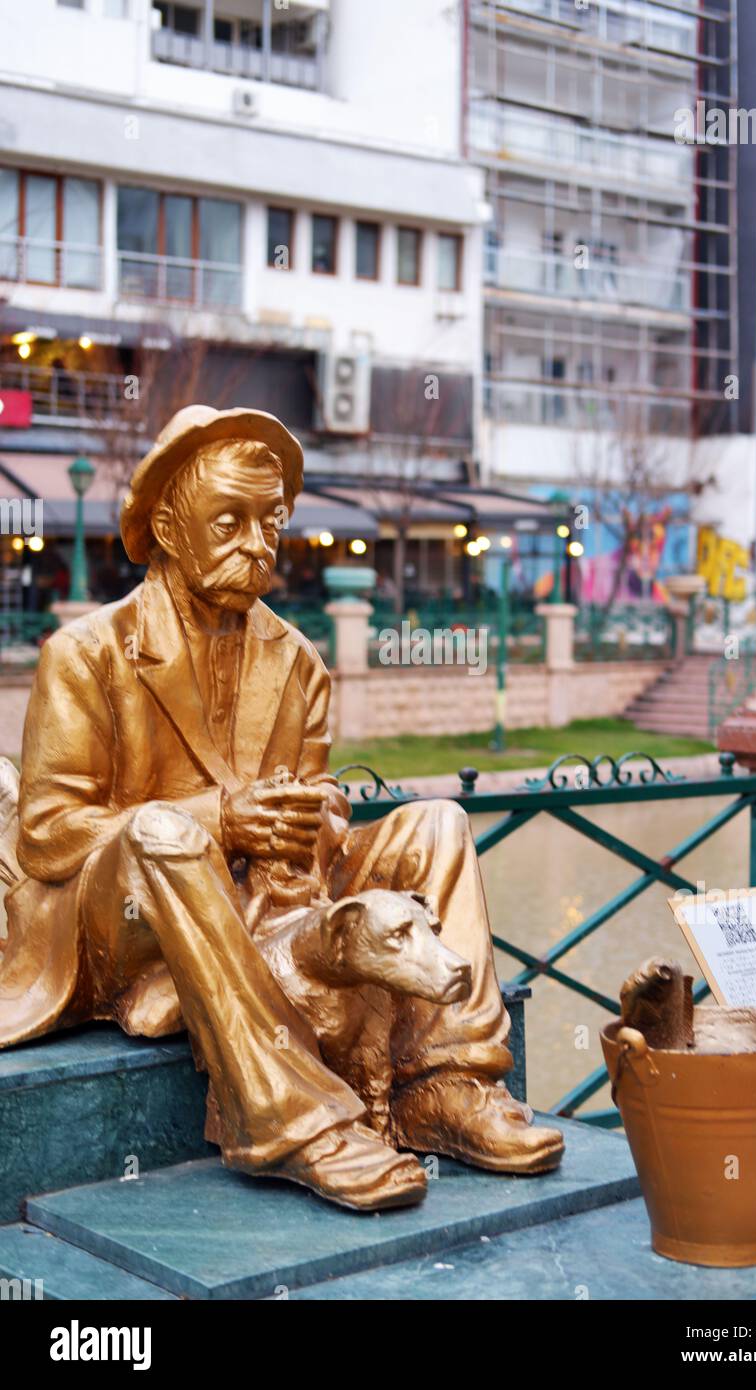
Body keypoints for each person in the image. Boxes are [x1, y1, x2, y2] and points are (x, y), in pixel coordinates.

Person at [0, 405, 563, 1212]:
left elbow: (321, 797)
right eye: (227, 521)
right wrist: (222, 818)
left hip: (268, 904)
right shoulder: (84, 655)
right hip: (118, 930)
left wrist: (315, 820)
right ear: (167, 525)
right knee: (166, 830)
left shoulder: (297, 660)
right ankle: (292, 1121)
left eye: (272, 521)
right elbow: (50, 836)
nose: (257, 544)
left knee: (437, 822)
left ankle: (443, 1085)